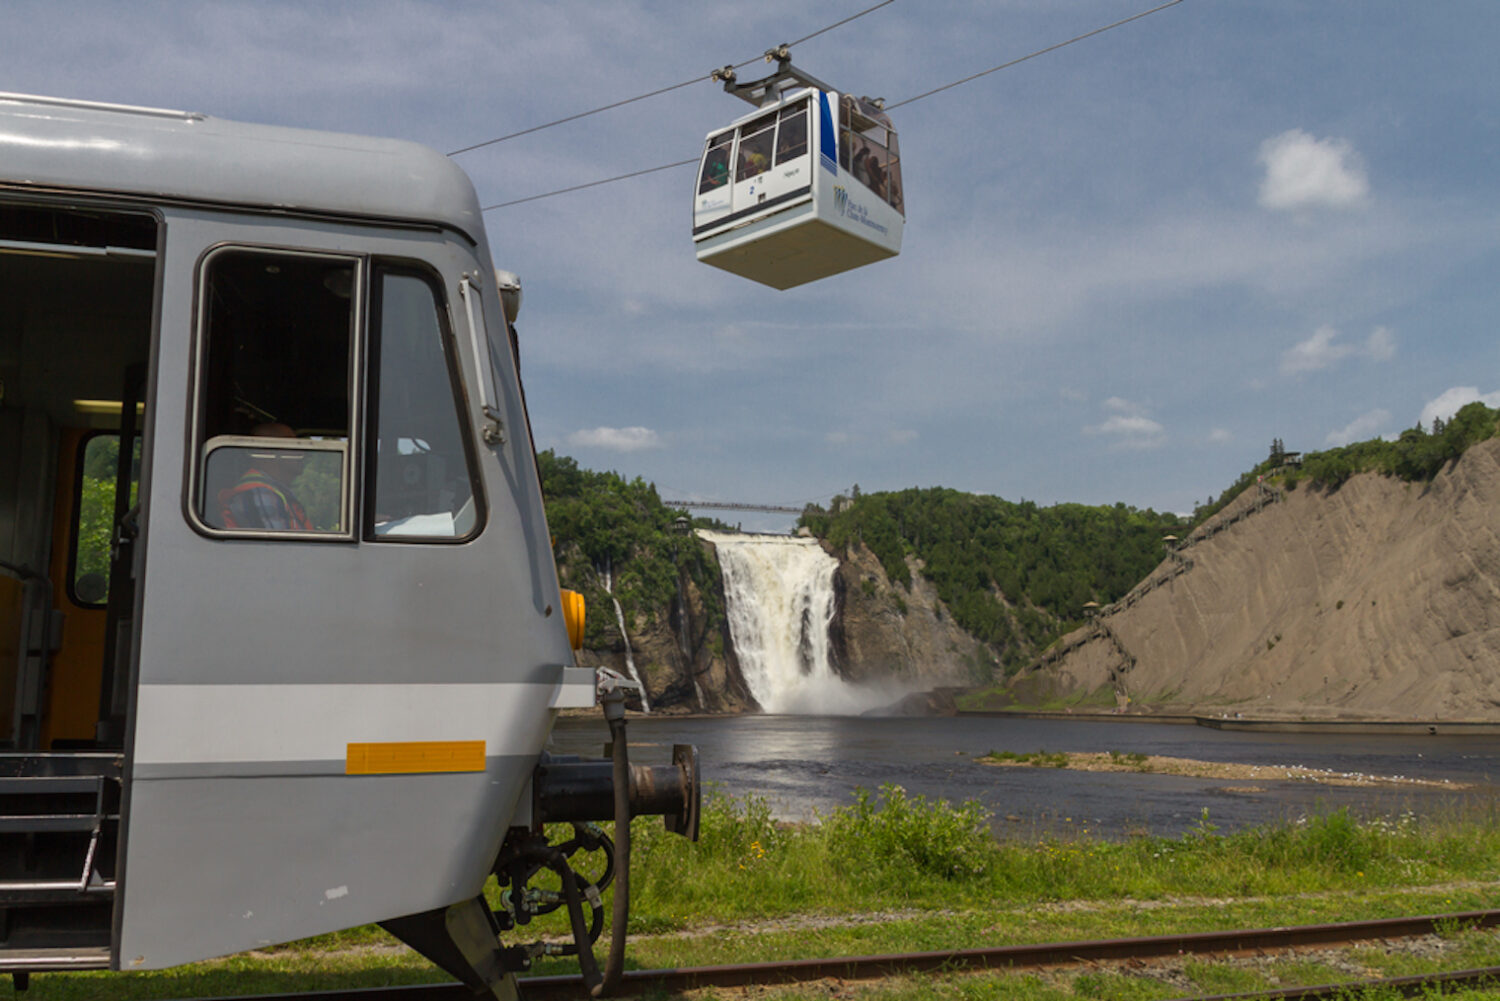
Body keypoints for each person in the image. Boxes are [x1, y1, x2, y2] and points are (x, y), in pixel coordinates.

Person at [217, 422, 313, 531]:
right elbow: (277, 546)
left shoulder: (274, 491)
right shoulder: (259, 492)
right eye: (291, 444)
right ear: (267, 451)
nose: (300, 451)